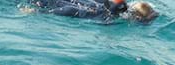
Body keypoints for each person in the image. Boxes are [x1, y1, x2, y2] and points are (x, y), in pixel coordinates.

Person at [22, 0, 158, 22]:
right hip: (53, 6)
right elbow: (70, 10)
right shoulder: (106, 17)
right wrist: (38, 13)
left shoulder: (109, 9)